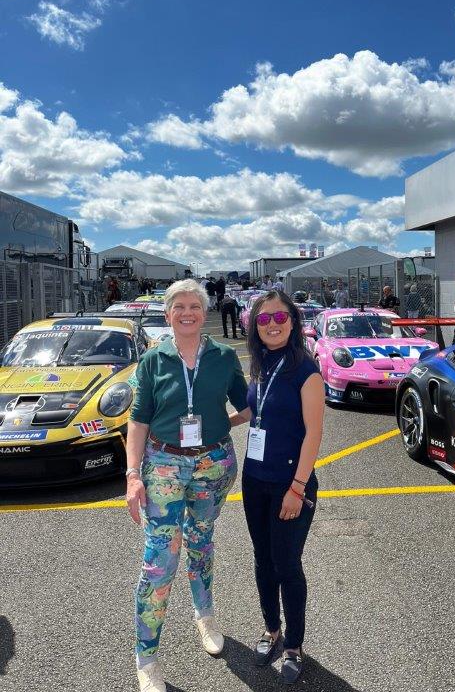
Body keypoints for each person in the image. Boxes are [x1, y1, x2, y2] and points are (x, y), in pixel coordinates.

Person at [126, 279, 248, 692]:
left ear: (204, 311)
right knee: (160, 558)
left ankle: (205, 616)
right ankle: (147, 657)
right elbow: (138, 420)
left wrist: (223, 424)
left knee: (201, 540)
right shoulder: (153, 360)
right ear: (168, 314)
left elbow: (248, 404)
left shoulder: (223, 357)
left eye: (194, 305)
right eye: (178, 306)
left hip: (213, 463)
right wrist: (132, 475)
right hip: (163, 464)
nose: (187, 313)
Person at [233, 290, 324, 684]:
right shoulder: (261, 364)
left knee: (287, 564)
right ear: (255, 325)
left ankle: (294, 645)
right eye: (264, 319)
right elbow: (257, 410)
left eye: (279, 317)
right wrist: (224, 423)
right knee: (263, 559)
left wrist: (298, 488)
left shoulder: (306, 369)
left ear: (293, 321)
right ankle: (271, 630)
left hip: (291, 484)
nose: (272, 325)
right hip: (255, 481)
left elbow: (313, 433)